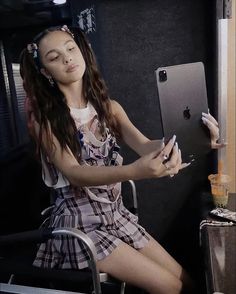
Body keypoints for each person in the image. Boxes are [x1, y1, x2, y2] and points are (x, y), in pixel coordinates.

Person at [20, 25, 223, 294]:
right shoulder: (46, 121)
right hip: (80, 225)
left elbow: (145, 145)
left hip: (115, 216)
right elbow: (74, 172)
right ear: (45, 72)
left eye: (71, 48)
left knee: (188, 282)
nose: (67, 58)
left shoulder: (110, 108)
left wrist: (194, 139)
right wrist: (134, 172)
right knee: (171, 288)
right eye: (54, 57)